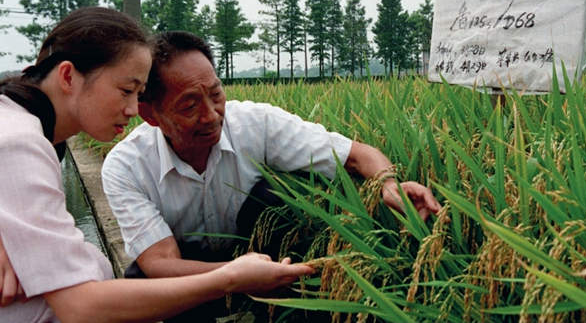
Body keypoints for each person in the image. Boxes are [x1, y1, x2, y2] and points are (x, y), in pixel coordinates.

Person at [101, 30, 443, 320]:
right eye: (189, 106)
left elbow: (355, 156)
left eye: (216, 95)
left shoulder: (255, 123)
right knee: (142, 278)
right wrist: (235, 277)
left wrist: (387, 183)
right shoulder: (127, 166)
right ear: (150, 114)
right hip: (191, 276)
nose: (211, 115)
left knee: (274, 196)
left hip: (265, 259)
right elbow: (161, 263)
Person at [0, 7, 313, 323]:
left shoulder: (26, 132)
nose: (135, 109)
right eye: (126, 90)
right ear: (68, 76)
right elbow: (81, 307)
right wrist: (231, 278)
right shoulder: (22, 142)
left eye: (139, 94)